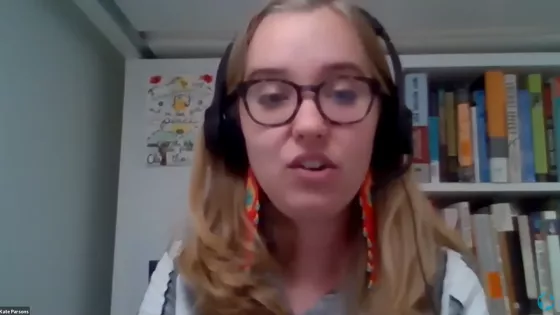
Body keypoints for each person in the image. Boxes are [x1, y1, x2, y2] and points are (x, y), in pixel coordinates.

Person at [139, 0, 488, 314]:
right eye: (273, 97)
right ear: (232, 130)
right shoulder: (180, 284)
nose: (309, 125)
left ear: (383, 129)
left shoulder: (448, 290)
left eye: (343, 93)